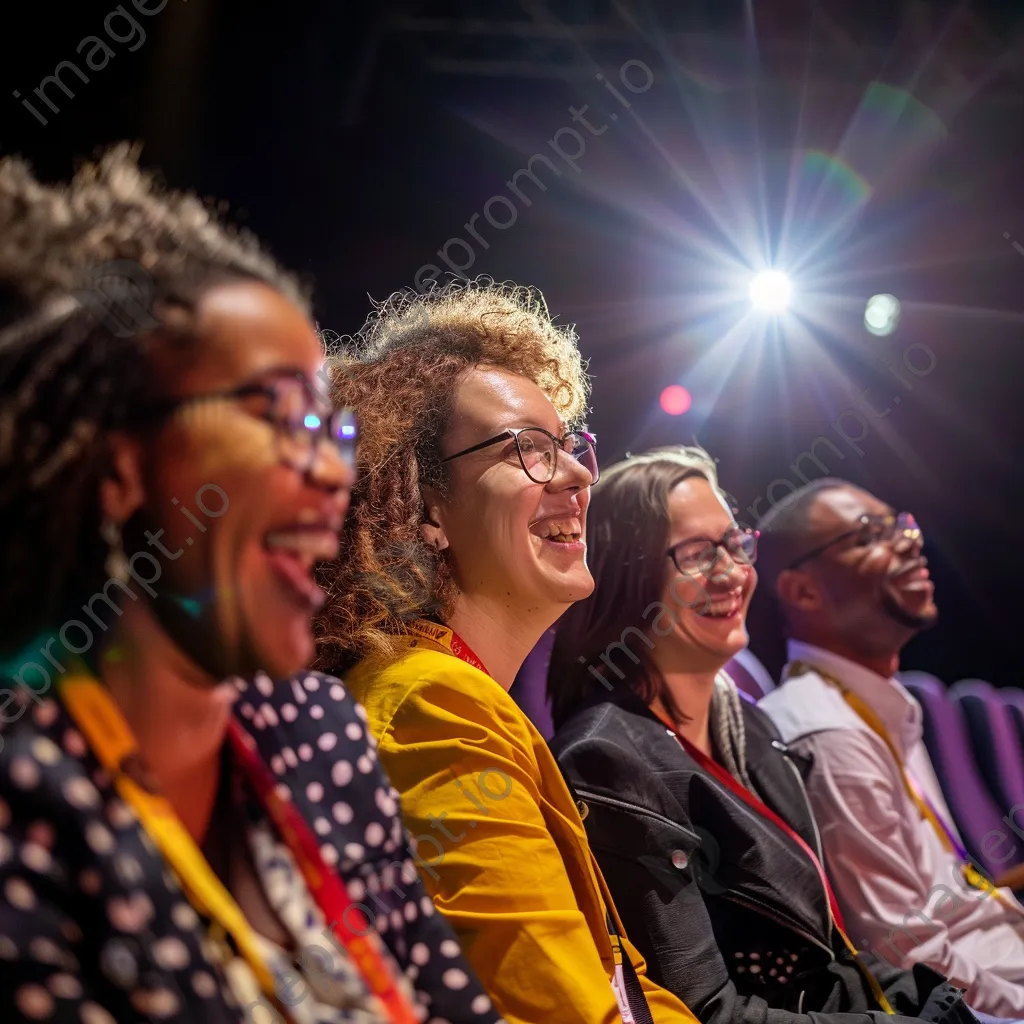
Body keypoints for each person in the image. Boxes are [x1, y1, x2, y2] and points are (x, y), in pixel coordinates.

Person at [0, 147, 503, 1024]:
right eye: (278, 415)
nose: (329, 475)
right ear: (121, 466)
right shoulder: (25, 795)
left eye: (332, 431)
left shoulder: (311, 731)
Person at [313, 278, 701, 1024]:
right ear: (426, 509)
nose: (582, 476)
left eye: (571, 446)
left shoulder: (451, 686)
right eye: (527, 449)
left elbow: (621, 984)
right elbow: (569, 1012)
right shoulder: (431, 702)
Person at [547, 446, 978, 1024]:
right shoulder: (607, 757)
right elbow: (704, 1010)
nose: (731, 573)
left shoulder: (749, 727)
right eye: (698, 554)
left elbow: (835, 955)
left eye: (735, 545)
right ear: (628, 574)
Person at [755, 478, 1024, 1020]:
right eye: (870, 534)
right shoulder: (827, 733)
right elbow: (907, 958)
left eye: (900, 524)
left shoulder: (879, 705)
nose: (909, 541)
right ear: (803, 591)